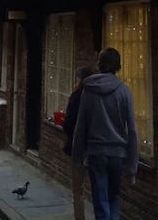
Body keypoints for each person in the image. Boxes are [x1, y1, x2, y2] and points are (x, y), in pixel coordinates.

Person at [71, 48, 138, 220]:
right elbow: (132, 131)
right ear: (118, 66)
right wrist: (132, 166)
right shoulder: (125, 92)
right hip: (117, 154)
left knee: (101, 202)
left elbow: (81, 127)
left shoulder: (89, 90)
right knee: (113, 198)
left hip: (96, 152)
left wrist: (77, 158)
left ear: (99, 64)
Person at [63, 66, 96, 220]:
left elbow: (68, 124)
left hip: (78, 148)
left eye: (76, 79)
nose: (74, 83)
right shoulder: (97, 96)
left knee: (78, 189)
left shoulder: (77, 96)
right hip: (97, 146)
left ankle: (80, 217)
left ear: (80, 80)